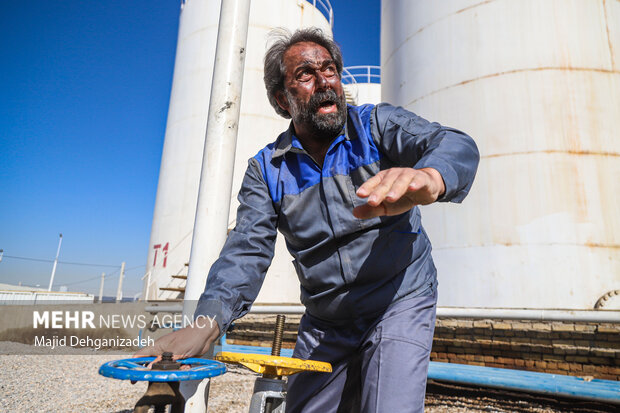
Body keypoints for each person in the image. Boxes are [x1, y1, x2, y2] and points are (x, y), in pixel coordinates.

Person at [136, 28, 479, 412]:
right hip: (326, 321)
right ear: (282, 99)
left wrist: (433, 176)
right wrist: (206, 326)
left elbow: (452, 143)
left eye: (329, 69)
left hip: (397, 300)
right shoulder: (267, 170)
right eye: (305, 74)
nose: (324, 82)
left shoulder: (376, 126)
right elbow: (246, 251)